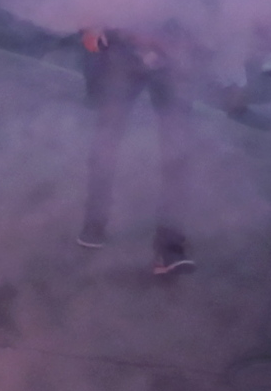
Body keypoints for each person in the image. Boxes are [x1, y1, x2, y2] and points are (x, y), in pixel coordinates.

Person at [76, 26, 195, 276]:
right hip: (124, 50)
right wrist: (92, 26)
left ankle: (169, 248)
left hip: (171, 55)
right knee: (106, 141)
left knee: (178, 152)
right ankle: (94, 224)